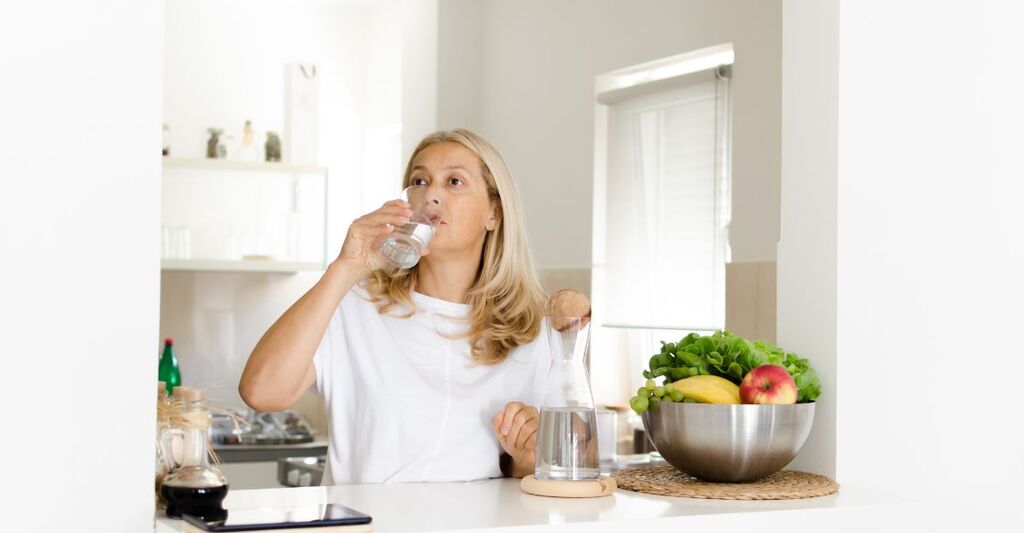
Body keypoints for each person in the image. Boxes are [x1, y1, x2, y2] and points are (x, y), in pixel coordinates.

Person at [239, 129, 554, 484]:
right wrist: (347, 268)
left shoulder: (527, 331)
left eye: (454, 181)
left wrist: (528, 457)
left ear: (493, 214)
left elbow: (530, 470)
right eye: (420, 180)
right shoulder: (356, 306)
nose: (431, 193)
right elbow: (260, 392)